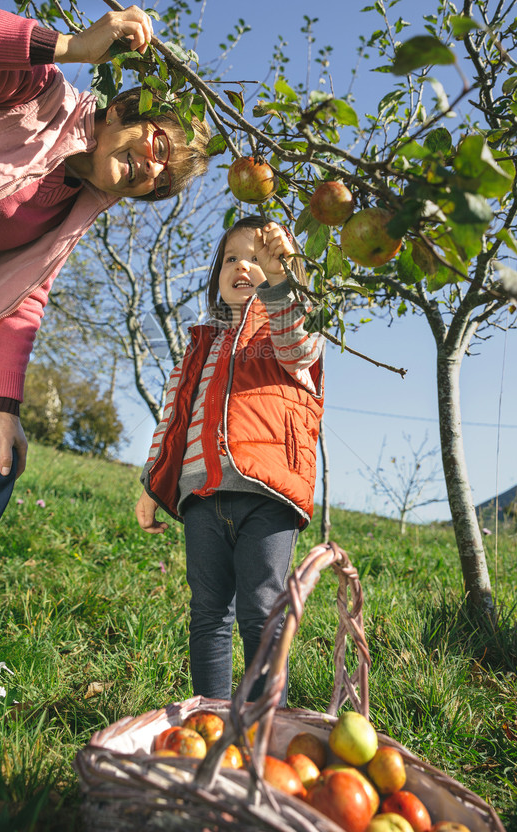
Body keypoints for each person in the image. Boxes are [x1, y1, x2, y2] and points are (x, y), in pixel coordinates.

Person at [0, 0, 210, 713]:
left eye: (163, 180)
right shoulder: (32, 93)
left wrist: (4, 406)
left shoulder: (72, 208)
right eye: (159, 141)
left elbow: (23, 302)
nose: (152, 168)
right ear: (128, 111)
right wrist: (68, 44)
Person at [135, 215, 324, 705]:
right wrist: (151, 485)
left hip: (268, 493)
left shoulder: (291, 326)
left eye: (257, 258)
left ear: (282, 267)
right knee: (208, 612)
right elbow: (172, 417)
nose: (244, 266)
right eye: (232, 258)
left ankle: (264, 722)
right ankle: (213, 716)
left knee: (261, 609)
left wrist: (281, 280)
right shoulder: (201, 343)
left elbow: (298, 346)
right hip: (201, 495)